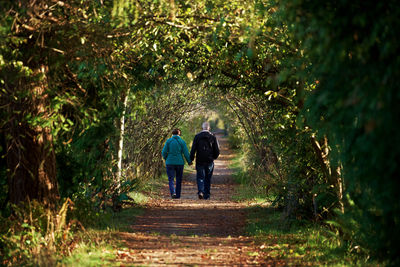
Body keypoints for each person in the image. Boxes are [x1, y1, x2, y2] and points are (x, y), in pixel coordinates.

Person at [190, 122, 220, 199]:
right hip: (209, 160)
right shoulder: (212, 137)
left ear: (202, 127)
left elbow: (193, 148)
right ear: (209, 128)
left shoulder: (197, 136)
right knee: (208, 177)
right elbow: (217, 149)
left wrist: (191, 158)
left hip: (200, 160)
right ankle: (207, 195)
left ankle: (200, 191)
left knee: (200, 177)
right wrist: (214, 157)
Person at [162, 128, 192, 199]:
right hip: (179, 163)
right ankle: (178, 195)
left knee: (171, 179)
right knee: (179, 179)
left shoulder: (168, 141)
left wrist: (167, 158)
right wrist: (189, 161)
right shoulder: (182, 142)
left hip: (170, 162)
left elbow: (163, 152)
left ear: (172, 134)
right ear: (179, 134)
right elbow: (186, 153)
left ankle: (173, 193)